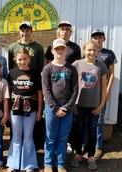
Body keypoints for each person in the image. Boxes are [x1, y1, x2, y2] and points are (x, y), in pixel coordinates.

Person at [42, 38, 78, 172]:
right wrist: (55, 108)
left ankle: (61, 165)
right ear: (52, 51)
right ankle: (48, 164)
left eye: (62, 48)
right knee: (51, 137)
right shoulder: (47, 68)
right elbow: (46, 90)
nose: (60, 51)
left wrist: (67, 107)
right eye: (57, 49)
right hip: (52, 108)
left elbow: (75, 89)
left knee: (63, 138)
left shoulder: (71, 68)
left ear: (66, 50)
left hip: (67, 108)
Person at [70, 39, 107, 170]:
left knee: (92, 131)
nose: (91, 52)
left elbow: (104, 87)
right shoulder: (77, 64)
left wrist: (102, 104)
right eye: (89, 50)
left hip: (94, 106)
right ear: (84, 51)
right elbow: (71, 84)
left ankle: (91, 156)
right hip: (79, 105)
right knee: (79, 130)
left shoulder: (101, 66)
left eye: (94, 50)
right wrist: (72, 102)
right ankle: (78, 154)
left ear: (97, 51)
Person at [6, 48, 43, 172]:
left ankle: (29, 165)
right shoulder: (12, 73)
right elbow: (8, 92)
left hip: (31, 109)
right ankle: (13, 164)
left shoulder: (35, 73)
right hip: (15, 109)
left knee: (28, 136)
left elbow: (39, 93)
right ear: (16, 60)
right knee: (16, 137)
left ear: (29, 59)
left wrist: (39, 111)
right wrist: (7, 112)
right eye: (20, 59)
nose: (22, 61)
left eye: (25, 59)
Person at [91, 29, 118, 159]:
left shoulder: (109, 54)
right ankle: (86, 144)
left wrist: (107, 91)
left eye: (99, 37)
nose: (97, 39)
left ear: (104, 39)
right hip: (89, 91)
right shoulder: (89, 52)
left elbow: (112, 73)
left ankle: (98, 146)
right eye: (95, 37)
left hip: (102, 91)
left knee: (99, 120)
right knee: (88, 118)